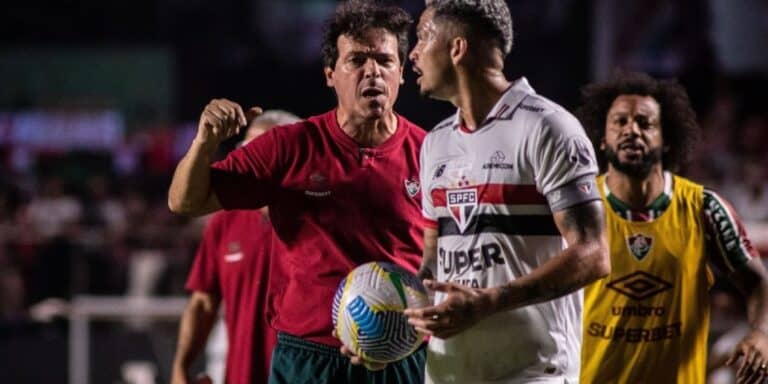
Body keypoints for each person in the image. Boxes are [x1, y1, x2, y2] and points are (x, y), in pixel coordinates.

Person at [167, 1, 427, 383]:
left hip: (402, 358)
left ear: (401, 73)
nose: (372, 70)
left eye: (384, 60)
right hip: (310, 359)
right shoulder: (289, 147)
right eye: (357, 60)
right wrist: (205, 142)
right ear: (330, 75)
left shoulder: (433, 152)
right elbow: (184, 201)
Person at [404, 1, 610, 383]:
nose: (413, 53)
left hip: (532, 372)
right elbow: (431, 262)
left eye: (422, 37)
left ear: (457, 48)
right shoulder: (435, 144)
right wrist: (385, 332)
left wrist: (491, 302)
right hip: (450, 373)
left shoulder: (548, 127)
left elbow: (593, 253)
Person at [576, 71, 768, 384]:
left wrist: (760, 333)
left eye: (645, 123)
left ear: (666, 138)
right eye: (620, 122)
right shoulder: (580, 209)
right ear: (602, 137)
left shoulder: (705, 208)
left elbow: (758, 283)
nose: (631, 131)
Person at [171, 110, 300, 384]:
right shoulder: (226, 220)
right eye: (247, 150)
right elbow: (203, 303)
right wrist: (181, 366)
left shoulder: (321, 217)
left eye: (265, 152)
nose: (254, 161)